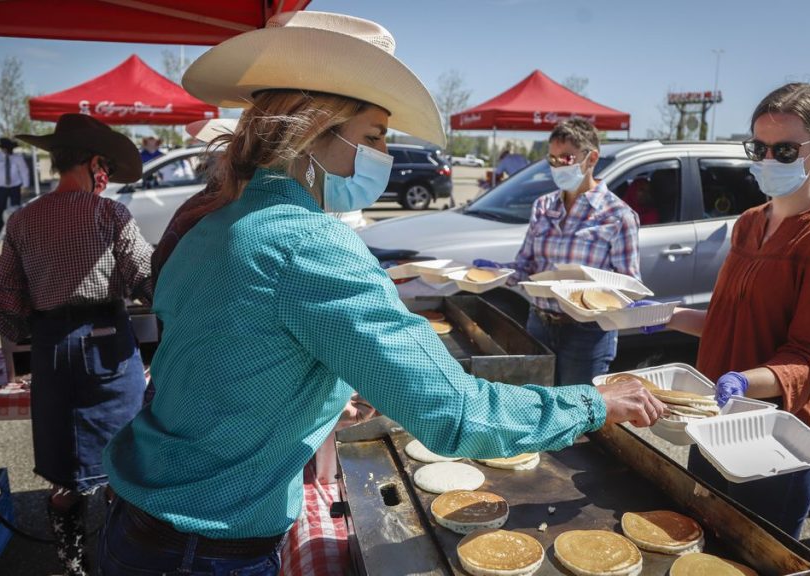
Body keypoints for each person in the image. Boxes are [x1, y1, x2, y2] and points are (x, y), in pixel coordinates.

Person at [98, 12, 666, 575]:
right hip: (202, 549)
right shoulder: (310, 242)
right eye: (372, 137)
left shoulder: (217, 224)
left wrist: (320, 398)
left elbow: (221, 366)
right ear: (313, 131)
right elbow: (454, 414)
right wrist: (593, 402)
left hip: (141, 518)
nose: (384, 157)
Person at [642, 83, 810, 538]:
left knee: (753, 557)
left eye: (784, 150)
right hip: (715, 420)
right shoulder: (748, 223)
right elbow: (734, 323)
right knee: (701, 546)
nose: (767, 159)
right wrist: (666, 316)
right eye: (758, 148)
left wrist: (745, 381)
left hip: (777, 438)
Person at [0, 114, 153, 576]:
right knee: (121, 468)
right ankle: (120, 561)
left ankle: (73, 566)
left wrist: (35, 319)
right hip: (110, 351)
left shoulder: (22, 219)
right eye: (105, 166)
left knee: (64, 475)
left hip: (52, 353)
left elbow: (3, 302)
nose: (106, 176)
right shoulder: (109, 214)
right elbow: (148, 281)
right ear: (94, 163)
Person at [474, 118, 641, 386]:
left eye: (566, 158)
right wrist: (496, 272)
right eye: (552, 159)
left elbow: (629, 285)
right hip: (539, 323)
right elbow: (526, 267)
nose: (557, 166)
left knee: (578, 407)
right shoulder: (543, 206)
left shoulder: (618, 215)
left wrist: (589, 293)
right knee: (536, 402)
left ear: (591, 158)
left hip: (587, 333)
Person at [0, 137, 31, 236]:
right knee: (0, 209)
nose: (9, 151)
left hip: (15, 186)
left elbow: (24, 171)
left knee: (16, 210)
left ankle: (16, 232)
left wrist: (25, 186)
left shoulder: (18, 158)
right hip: (1, 187)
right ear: (2, 148)